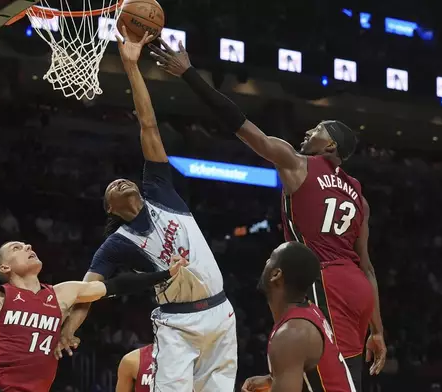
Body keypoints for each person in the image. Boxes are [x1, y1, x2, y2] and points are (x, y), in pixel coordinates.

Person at [149, 40, 386, 390]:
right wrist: (378, 329)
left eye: (318, 129)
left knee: (338, 381)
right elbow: (367, 265)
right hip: (359, 288)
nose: (309, 132)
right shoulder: (359, 195)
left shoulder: (298, 163)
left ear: (331, 146)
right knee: (332, 372)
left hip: (325, 280)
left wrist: (188, 74)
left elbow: (242, 126)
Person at [57, 29, 237, 392]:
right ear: (111, 208)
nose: (120, 181)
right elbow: (87, 292)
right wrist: (68, 329)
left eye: (123, 179)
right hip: (178, 324)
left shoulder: (159, 189)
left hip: (222, 313)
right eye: (112, 188)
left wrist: (131, 67)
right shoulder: (118, 244)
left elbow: (148, 123)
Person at [0, 219, 186, 392]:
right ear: (6, 267)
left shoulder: (63, 294)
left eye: (27, 245)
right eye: (17, 248)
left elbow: (117, 285)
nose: (27, 246)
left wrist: (164, 274)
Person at [242, 242, 356, 392]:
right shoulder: (309, 310)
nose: (266, 262)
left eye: (271, 259)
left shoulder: (292, 333)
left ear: (276, 275)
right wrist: (273, 379)